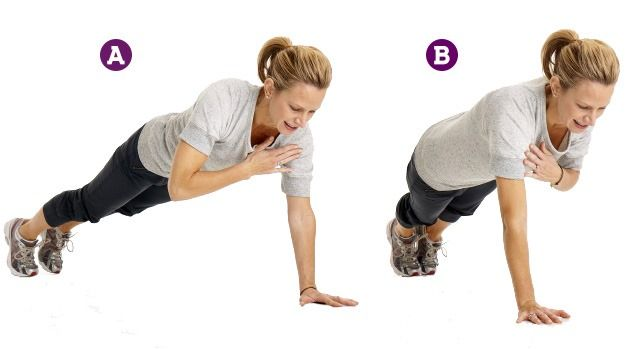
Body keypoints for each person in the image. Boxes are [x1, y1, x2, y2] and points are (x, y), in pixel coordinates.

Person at [5, 36, 358, 308]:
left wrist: (308, 286)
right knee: (89, 205)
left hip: (187, 179)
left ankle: (56, 233)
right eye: (296, 107)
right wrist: (247, 168)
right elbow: (180, 185)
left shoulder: (298, 139)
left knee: (118, 208)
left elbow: (301, 214)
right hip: (146, 158)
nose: (301, 121)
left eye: (312, 112)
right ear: (270, 88)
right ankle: (24, 233)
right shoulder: (226, 99)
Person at [387, 29, 619, 324]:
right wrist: (527, 301)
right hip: (437, 165)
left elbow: (571, 177)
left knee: (457, 212)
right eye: (585, 107)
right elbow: (514, 221)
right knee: (420, 214)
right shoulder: (513, 109)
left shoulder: (580, 119)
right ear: (557, 86)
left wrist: (556, 174)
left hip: (483, 172)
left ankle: (430, 239)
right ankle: (401, 233)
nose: (592, 118)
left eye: (602, 108)